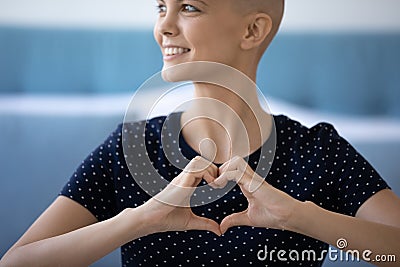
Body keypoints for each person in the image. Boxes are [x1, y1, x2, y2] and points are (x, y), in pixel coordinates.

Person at [1, 0, 399, 266]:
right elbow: (17, 262)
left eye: (189, 7)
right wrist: (142, 220)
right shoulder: (131, 151)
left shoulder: (318, 154)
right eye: (161, 7)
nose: (164, 27)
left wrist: (299, 217)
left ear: (253, 30)